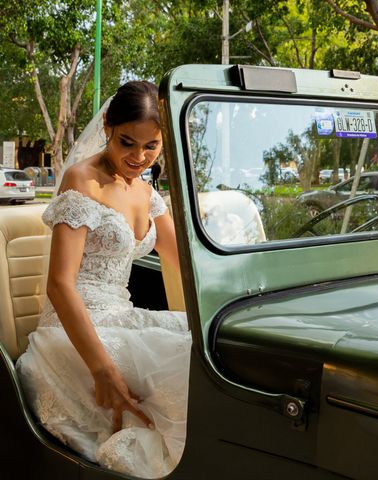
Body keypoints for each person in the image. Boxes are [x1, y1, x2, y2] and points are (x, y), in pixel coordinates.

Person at [16, 81, 191, 479]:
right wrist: (103, 371)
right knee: (176, 363)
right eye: (128, 142)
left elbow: (182, 259)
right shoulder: (83, 181)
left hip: (120, 315)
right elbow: (59, 285)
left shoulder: (147, 192)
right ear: (108, 126)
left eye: (152, 146)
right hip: (72, 327)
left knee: (196, 342)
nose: (139, 157)